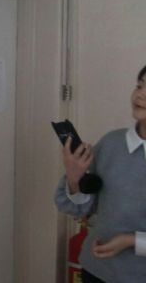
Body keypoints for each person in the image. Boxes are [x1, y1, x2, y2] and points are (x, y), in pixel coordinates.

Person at [55, 64, 146, 282]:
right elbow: (80, 209)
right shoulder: (112, 143)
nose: (140, 94)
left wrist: (132, 241)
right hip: (97, 270)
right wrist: (74, 180)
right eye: (140, 85)